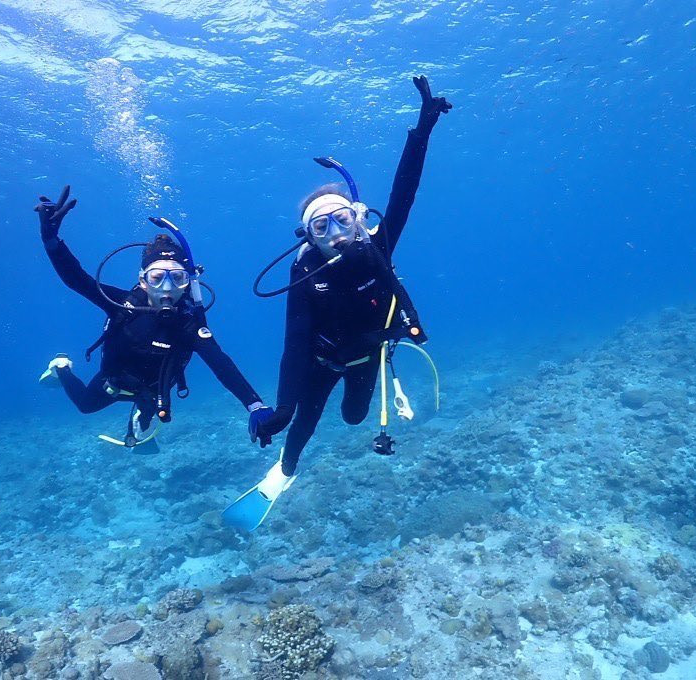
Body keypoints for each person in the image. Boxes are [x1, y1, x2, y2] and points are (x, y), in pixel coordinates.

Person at [223, 75, 451, 530]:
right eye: (320, 228)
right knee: (301, 424)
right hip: (322, 362)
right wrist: (280, 411)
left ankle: (345, 413)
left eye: (342, 220)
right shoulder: (305, 274)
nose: (336, 234)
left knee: (352, 419)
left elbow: (404, 191)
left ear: (359, 220)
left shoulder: (377, 247)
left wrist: (421, 130)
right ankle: (284, 472)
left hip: (368, 357)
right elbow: (293, 344)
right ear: (308, 238)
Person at [35, 186, 275, 451]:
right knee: (85, 405)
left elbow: (221, 364)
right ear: (143, 281)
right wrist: (52, 241)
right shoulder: (122, 305)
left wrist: (255, 405)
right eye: (157, 278)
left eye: (178, 278)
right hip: (113, 382)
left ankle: (142, 413)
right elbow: (76, 280)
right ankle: (60, 368)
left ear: (188, 282)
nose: (167, 288)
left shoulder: (189, 323)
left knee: (150, 411)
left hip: (154, 390)